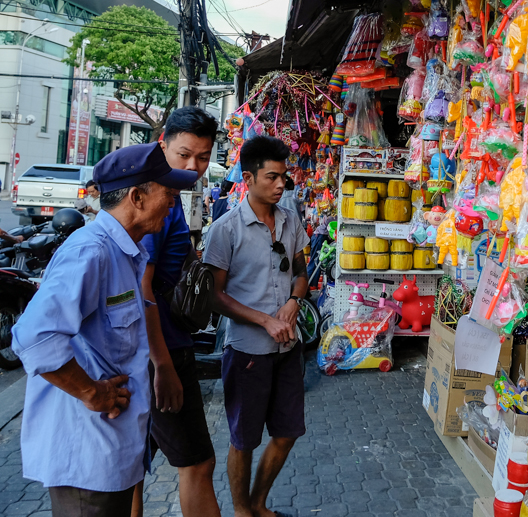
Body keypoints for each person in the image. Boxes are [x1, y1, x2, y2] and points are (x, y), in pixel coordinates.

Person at [11, 143, 197, 517]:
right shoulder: (90, 252)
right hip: (86, 457)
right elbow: (35, 336)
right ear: (138, 197)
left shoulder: (126, 251)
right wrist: (91, 392)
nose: (174, 206)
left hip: (111, 451)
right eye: (169, 196)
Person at [204, 135, 309, 517]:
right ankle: (241, 510)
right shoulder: (225, 229)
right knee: (243, 440)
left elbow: (301, 271)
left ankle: (258, 502)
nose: (281, 184)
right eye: (272, 177)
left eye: (284, 177)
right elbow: (214, 296)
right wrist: (265, 319)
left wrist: (295, 301)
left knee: (286, 434)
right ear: (248, 178)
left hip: (287, 349)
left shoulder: (291, 221)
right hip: (247, 350)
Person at [131, 108, 221, 517]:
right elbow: (142, 286)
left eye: (203, 157)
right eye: (185, 154)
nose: (193, 166)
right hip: (162, 351)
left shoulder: (166, 193)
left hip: (151, 348)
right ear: (163, 141)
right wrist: (162, 365)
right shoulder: (154, 198)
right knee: (198, 463)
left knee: (132, 465)